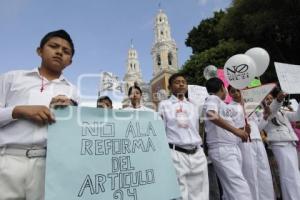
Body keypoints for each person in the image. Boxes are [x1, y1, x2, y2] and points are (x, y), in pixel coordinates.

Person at [0, 29, 78, 200]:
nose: (59, 52)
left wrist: (70, 112)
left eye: (66, 51)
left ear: (70, 61)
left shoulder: (73, 91)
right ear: (39, 51)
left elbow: (74, 133)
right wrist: (18, 110)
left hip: (48, 165)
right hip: (7, 160)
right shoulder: (12, 78)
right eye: (54, 46)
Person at [158, 73, 209, 200]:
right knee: (180, 193)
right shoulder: (164, 105)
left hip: (197, 153)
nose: (181, 84)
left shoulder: (193, 106)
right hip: (176, 153)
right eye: (177, 82)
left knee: (201, 193)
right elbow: (161, 131)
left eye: (184, 82)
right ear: (170, 87)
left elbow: (196, 129)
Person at [203, 77, 252, 200]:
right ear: (222, 88)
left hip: (231, 148)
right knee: (240, 188)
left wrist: (242, 132)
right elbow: (211, 115)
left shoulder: (222, 104)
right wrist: (236, 131)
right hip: (223, 150)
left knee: (230, 190)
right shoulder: (212, 98)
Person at [228, 85, 275, 200]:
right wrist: (242, 129)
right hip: (244, 143)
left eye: (237, 90)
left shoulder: (252, 106)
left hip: (258, 140)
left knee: (264, 173)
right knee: (250, 174)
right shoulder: (229, 108)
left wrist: (265, 116)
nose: (236, 93)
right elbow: (231, 128)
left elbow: (258, 127)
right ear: (229, 94)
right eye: (232, 91)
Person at [263, 88, 300, 200]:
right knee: (289, 175)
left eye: (271, 98)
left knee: (293, 174)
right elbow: (272, 110)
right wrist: (278, 100)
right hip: (279, 144)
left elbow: (297, 117)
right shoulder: (263, 113)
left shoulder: (282, 111)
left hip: (290, 143)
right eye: (266, 99)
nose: (269, 100)